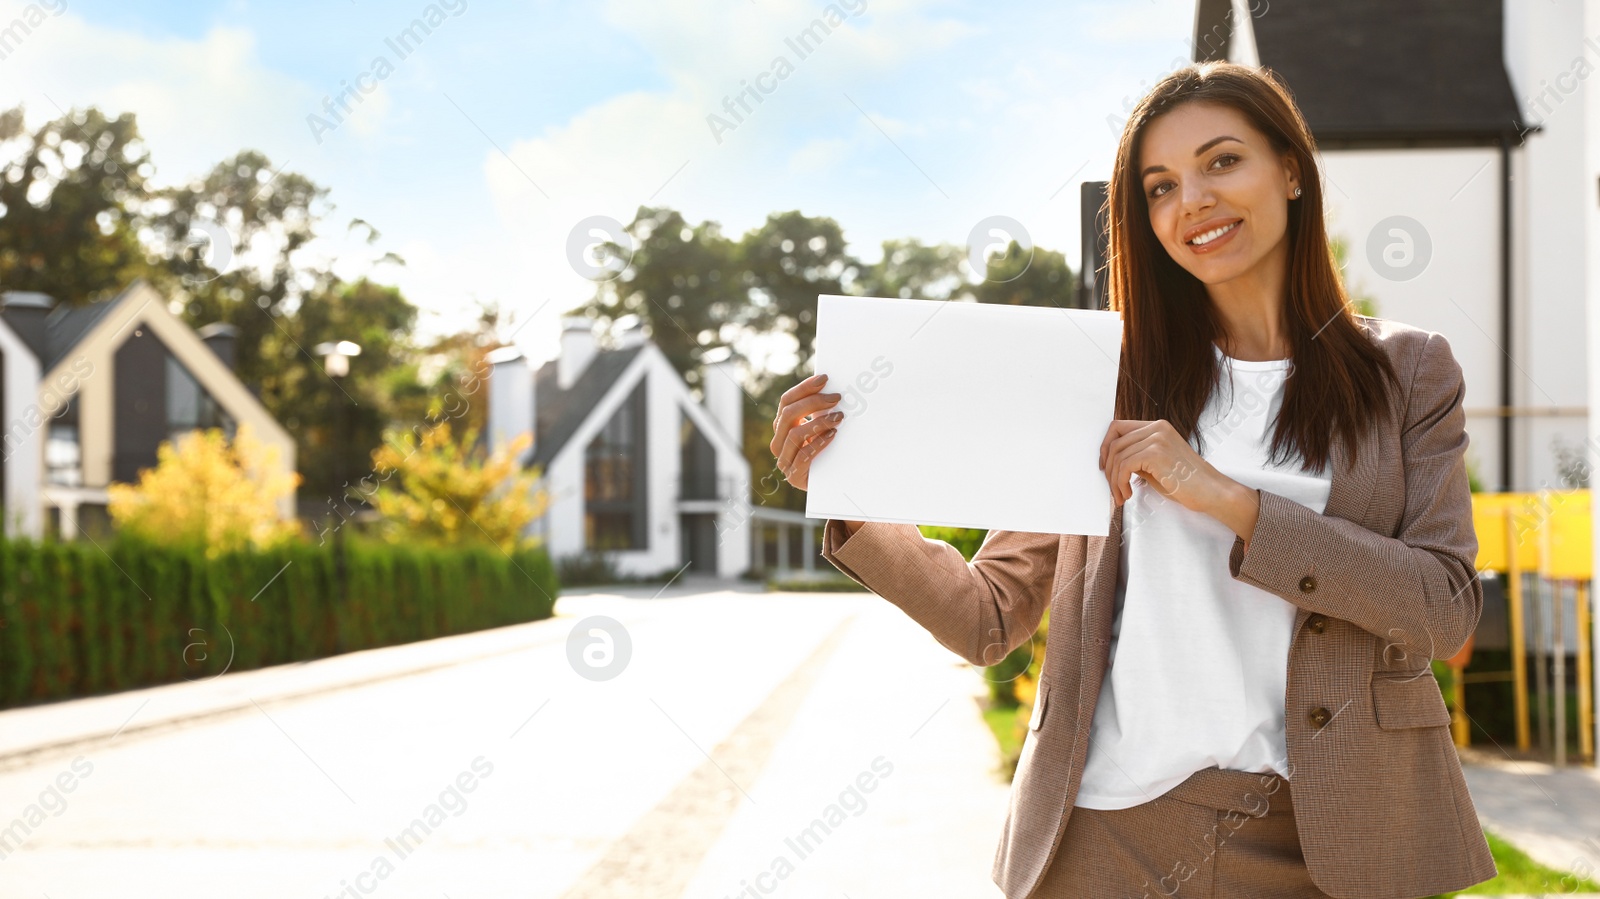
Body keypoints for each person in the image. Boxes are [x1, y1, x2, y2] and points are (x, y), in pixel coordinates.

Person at [768, 61, 1496, 899]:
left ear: (1290, 170)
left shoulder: (1408, 373)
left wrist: (1230, 501)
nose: (1192, 201)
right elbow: (988, 616)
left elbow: (1442, 609)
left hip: (1339, 842)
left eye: (1223, 162)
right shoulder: (1101, 380)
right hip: (1110, 842)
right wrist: (854, 498)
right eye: (1159, 186)